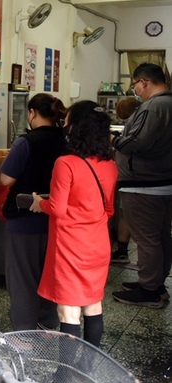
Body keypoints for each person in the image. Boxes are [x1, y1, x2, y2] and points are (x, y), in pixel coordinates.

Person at [29, 101, 117, 349]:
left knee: (68, 313)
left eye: (66, 120)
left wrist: (39, 202)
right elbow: (108, 209)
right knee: (93, 305)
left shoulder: (65, 163)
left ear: (75, 128)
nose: (63, 124)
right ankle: (86, 375)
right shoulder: (110, 165)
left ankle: (65, 376)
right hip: (98, 246)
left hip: (70, 247)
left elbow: (57, 208)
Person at [0, 93, 67, 331]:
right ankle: (48, 326)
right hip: (57, 220)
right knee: (50, 275)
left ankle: (25, 334)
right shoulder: (66, 139)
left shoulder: (27, 141)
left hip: (25, 219)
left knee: (23, 280)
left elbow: (6, 178)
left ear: (32, 113)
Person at [111, 63, 172, 307]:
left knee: (147, 240)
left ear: (144, 81)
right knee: (160, 237)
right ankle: (155, 283)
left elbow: (138, 142)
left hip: (145, 185)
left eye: (135, 83)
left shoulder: (154, 106)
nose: (135, 89)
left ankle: (149, 290)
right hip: (163, 183)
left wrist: (115, 140)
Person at [110, 96, 139, 264]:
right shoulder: (136, 124)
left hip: (130, 179)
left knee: (125, 214)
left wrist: (113, 139)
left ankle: (121, 250)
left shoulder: (133, 127)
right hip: (132, 179)